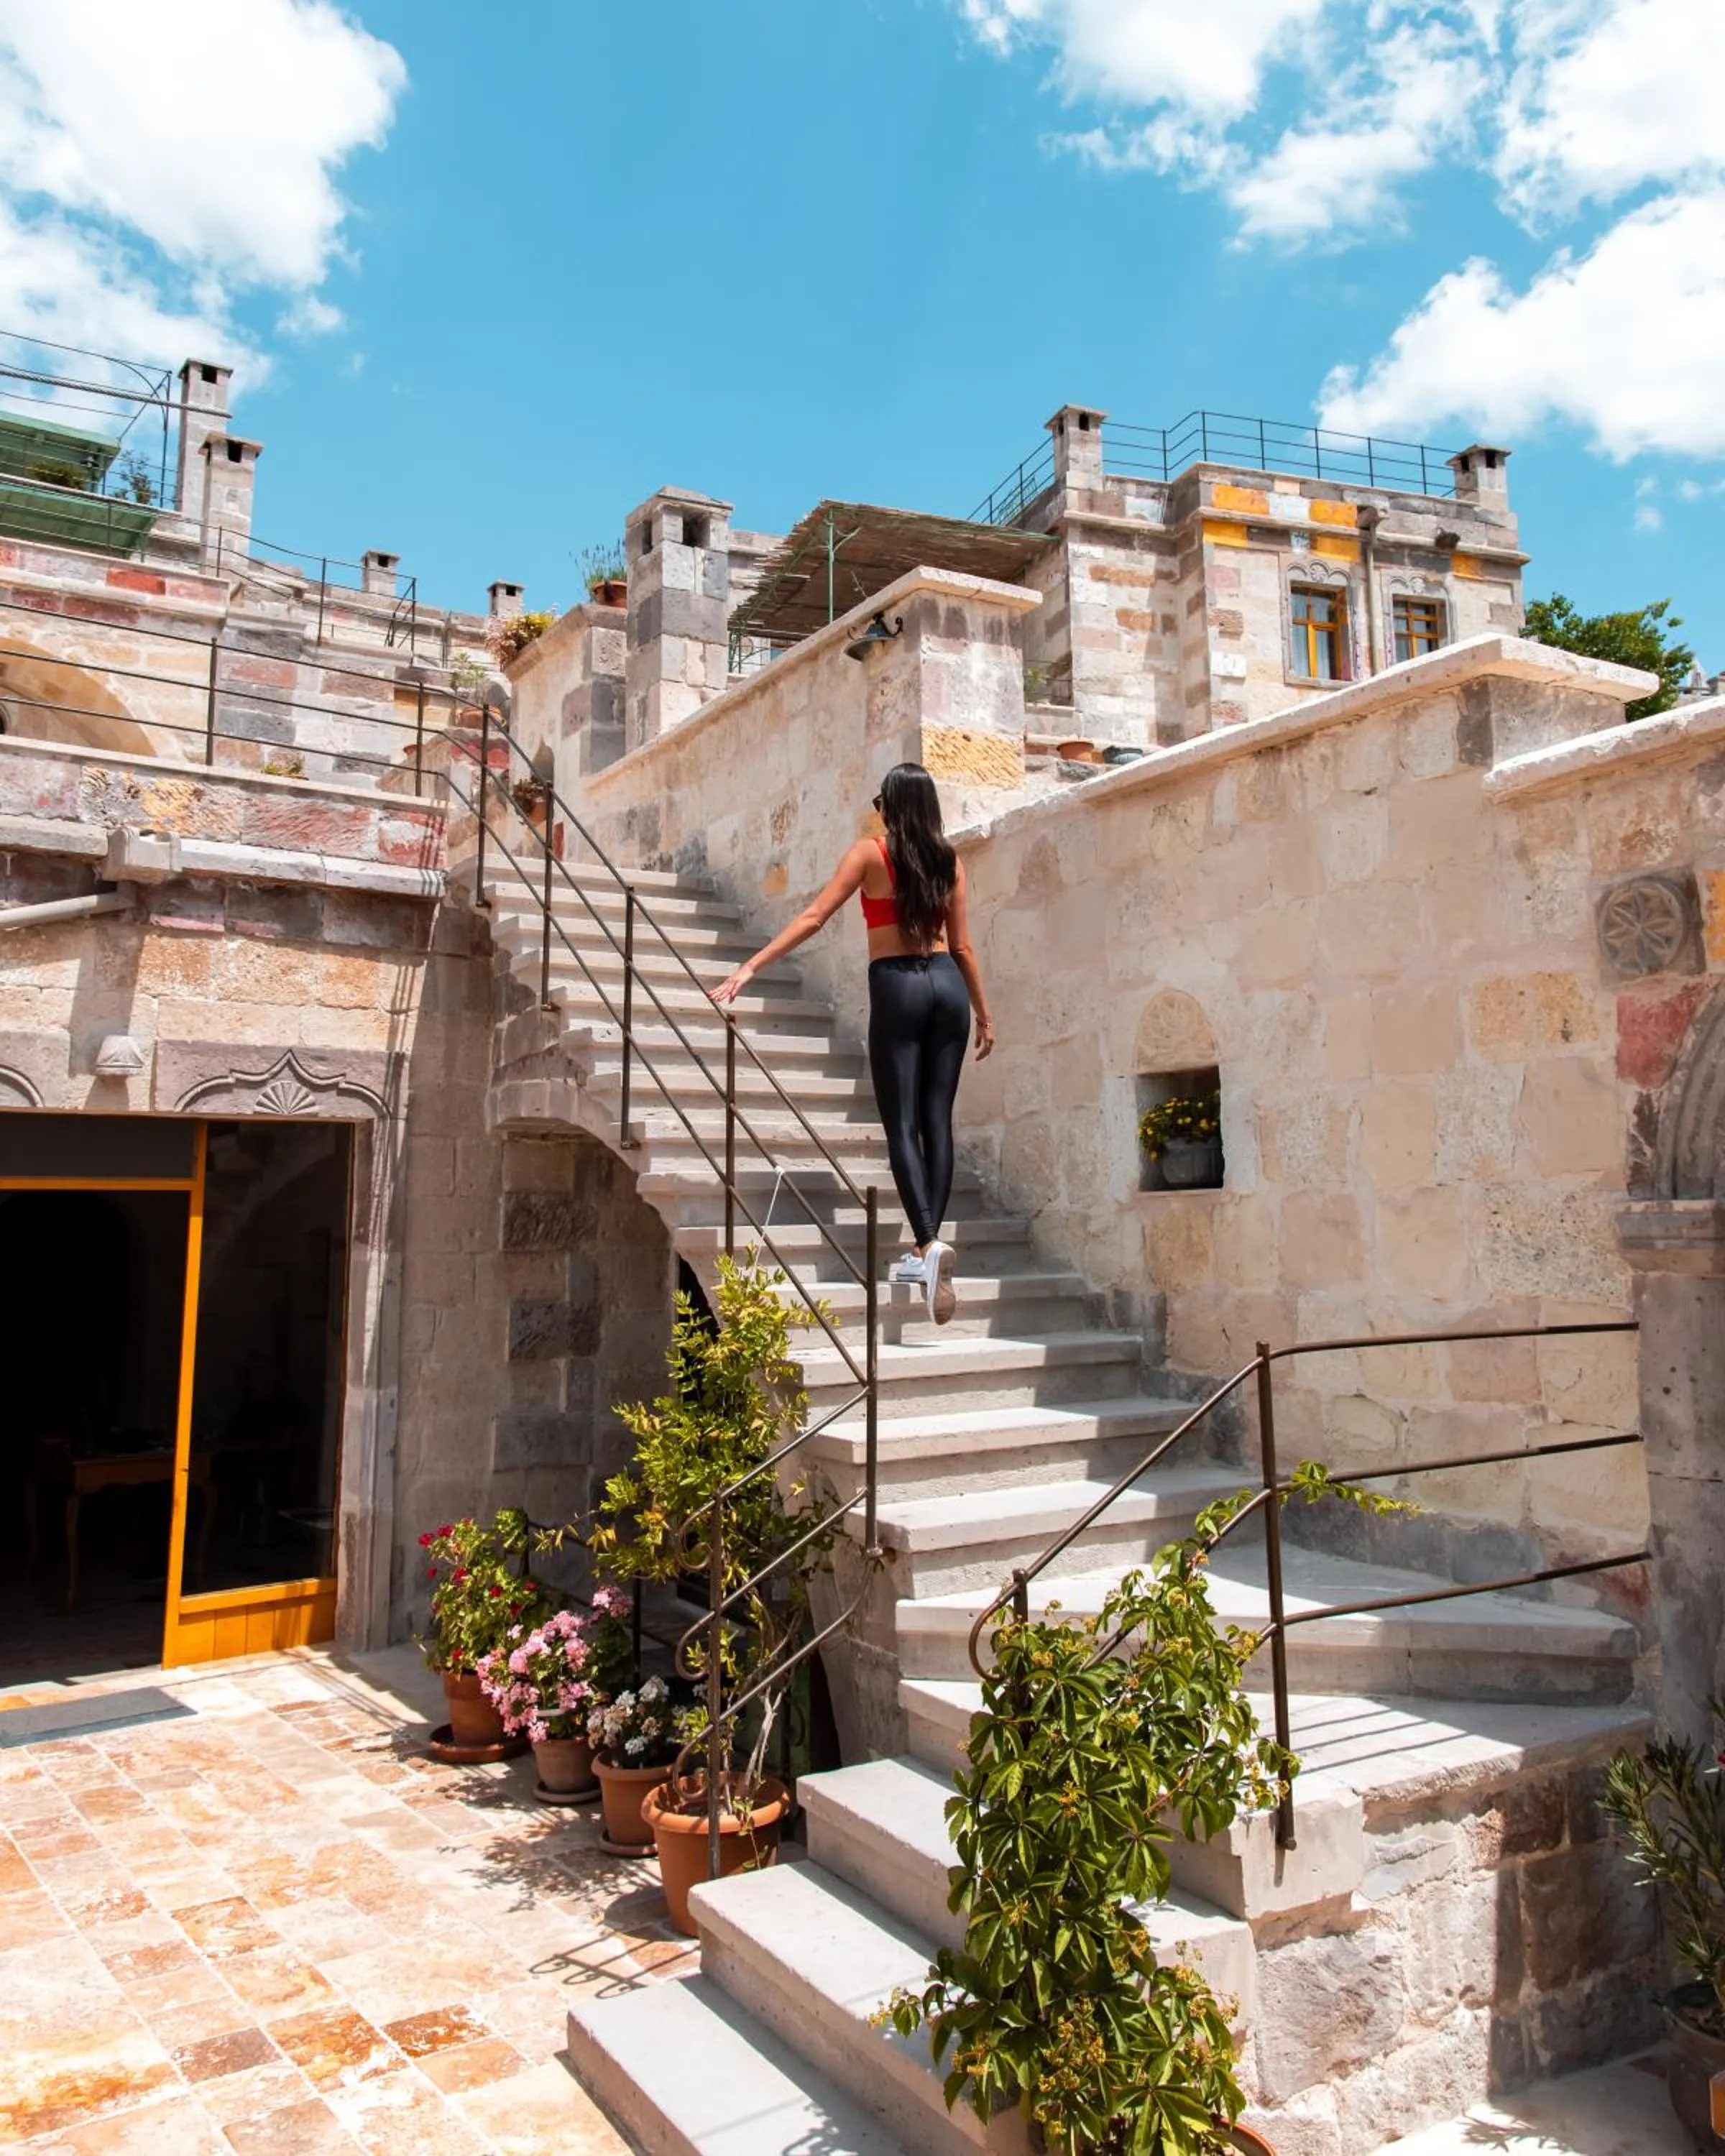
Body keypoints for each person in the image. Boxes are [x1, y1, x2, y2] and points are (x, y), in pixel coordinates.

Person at [709, 762, 994, 1324]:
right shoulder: (950, 861)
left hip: (898, 986)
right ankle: (927, 1252)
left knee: (901, 1124)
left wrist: (750, 966)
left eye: (881, 802)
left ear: (892, 806)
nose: (878, 811)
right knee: (937, 1121)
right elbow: (962, 947)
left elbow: (815, 916)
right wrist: (983, 1013)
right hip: (947, 988)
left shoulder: (871, 854)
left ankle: (928, 1244)